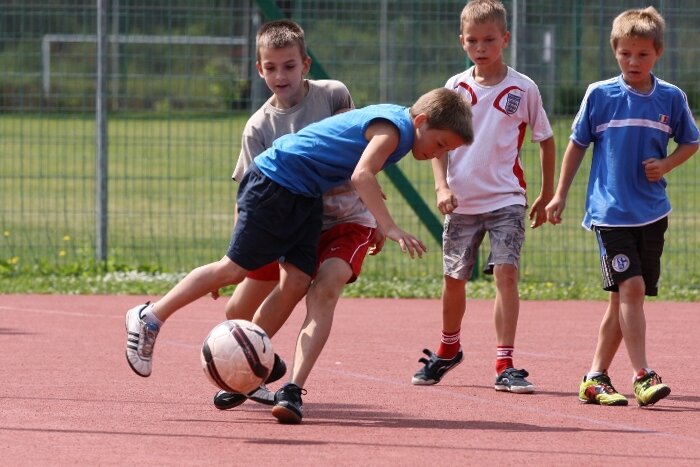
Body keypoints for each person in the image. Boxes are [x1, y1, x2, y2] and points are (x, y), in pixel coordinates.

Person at [124, 86, 475, 415]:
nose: (437, 154)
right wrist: (389, 226)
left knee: (296, 281)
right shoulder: (394, 130)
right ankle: (150, 316)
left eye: (445, 151)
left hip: (305, 196)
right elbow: (361, 175)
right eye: (440, 144)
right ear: (421, 121)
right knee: (233, 270)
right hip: (276, 180)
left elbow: (349, 152)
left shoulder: (397, 126)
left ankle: (256, 368)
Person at [210, 19, 386, 419]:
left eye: (289, 65)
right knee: (235, 314)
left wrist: (377, 215)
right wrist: (236, 255)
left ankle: (291, 389)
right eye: (271, 67)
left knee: (323, 290)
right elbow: (248, 194)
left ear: (305, 64)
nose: (281, 75)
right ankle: (254, 367)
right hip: (286, 223)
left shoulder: (334, 95)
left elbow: (362, 153)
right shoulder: (258, 127)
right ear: (259, 69)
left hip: (344, 220)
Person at [545, 6, 698, 407]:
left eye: (642, 54)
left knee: (624, 297)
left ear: (658, 52)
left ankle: (594, 377)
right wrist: (559, 194)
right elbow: (576, 145)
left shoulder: (671, 97)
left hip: (653, 212)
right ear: (615, 50)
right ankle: (643, 375)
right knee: (632, 288)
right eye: (625, 53)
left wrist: (667, 164)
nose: (633, 61)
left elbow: (691, 141)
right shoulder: (600, 95)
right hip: (610, 213)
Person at [411, 0, 555, 394]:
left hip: (507, 199)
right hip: (462, 202)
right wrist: (441, 187)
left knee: (506, 273)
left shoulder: (523, 88)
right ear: (462, 41)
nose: (481, 47)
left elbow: (545, 139)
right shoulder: (455, 87)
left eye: (489, 39)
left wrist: (546, 193)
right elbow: (436, 144)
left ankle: (505, 364)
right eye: (472, 40)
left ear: (504, 39)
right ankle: (448, 349)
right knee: (453, 279)